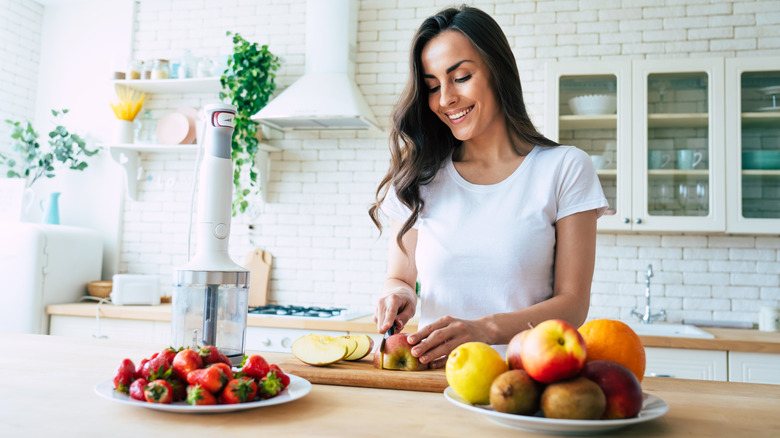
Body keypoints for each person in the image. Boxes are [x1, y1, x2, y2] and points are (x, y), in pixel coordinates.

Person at [368, 5, 608, 369]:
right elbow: (399, 277)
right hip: (433, 383)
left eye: (460, 77)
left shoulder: (564, 168)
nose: (445, 98)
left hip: (524, 383)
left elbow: (572, 304)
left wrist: (484, 329)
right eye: (432, 86)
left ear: (497, 70)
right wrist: (397, 295)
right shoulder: (421, 177)